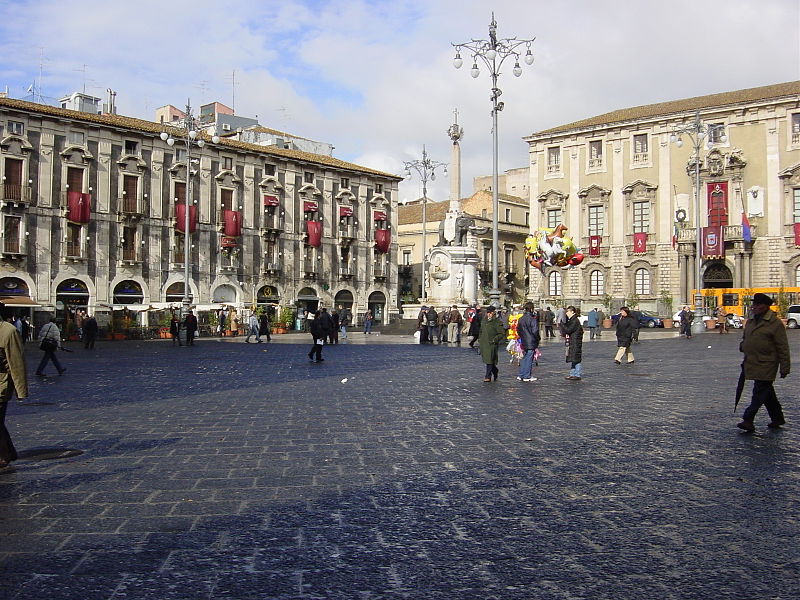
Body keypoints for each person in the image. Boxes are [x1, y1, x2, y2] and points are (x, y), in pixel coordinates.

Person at [737, 293, 791, 432]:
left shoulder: (775, 323)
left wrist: (784, 367)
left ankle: (748, 419)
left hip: (767, 363)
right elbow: (746, 338)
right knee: (767, 393)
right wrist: (744, 346)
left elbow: (782, 347)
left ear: (764, 306)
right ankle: (777, 418)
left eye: (756, 305)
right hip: (752, 361)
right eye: (753, 304)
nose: (753, 307)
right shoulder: (751, 321)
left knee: (759, 391)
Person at [0, 304, 28, 469]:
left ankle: (4, 455)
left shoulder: (8, 331)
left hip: (1, 384)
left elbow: (17, 363)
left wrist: (21, 390)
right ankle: (9, 452)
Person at [478, 306, 506, 382]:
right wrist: (480, 340)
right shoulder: (484, 321)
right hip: (484, 343)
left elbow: (501, 333)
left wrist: (495, 339)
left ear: (493, 313)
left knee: (489, 360)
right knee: (488, 360)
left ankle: (488, 376)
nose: (489, 314)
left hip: (492, 343)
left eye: (491, 313)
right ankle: (495, 370)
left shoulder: (497, 322)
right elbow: (481, 331)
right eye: (488, 313)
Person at [516, 302, 540, 382]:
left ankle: (522, 374)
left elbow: (518, 330)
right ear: (532, 309)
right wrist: (537, 339)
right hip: (531, 341)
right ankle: (527, 375)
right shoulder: (532, 319)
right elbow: (535, 331)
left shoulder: (521, 318)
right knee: (529, 359)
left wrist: (522, 337)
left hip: (524, 340)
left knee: (525, 358)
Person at [563, 306, 584, 380]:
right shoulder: (571, 320)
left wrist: (562, 325)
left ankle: (577, 374)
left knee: (576, 358)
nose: (566, 313)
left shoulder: (575, 321)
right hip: (573, 341)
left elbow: (568, 330)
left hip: (575, 341)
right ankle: (572, 373)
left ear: (572, 312)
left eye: (568, 311)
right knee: (573, 357)